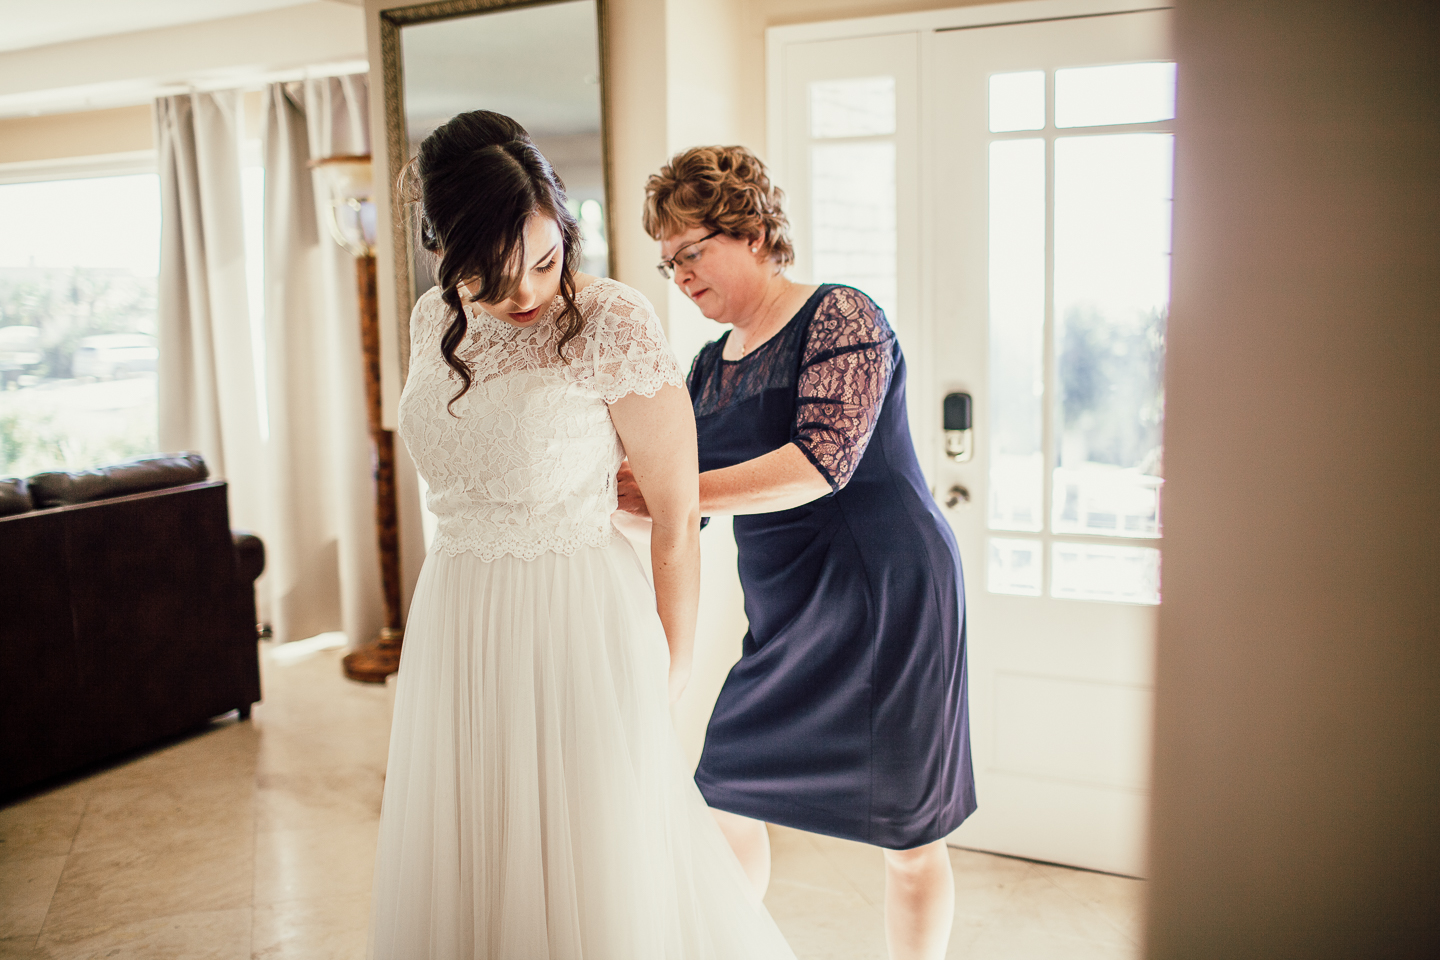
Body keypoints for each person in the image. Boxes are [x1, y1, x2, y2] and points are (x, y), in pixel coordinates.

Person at [367, 113, 796, 960]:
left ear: (564, 228)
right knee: (475, 845)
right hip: (457, 618)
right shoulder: (430, 321)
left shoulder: (613, 322)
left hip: (580, 626)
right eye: (490, 275)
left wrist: (669, 669)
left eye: (545, 258)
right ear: (445, 255)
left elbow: (675, 519)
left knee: (596, 856)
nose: (525, 293)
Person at [619, 145, 976, 960]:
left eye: (690, 251)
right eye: (667, 263)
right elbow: (683, 504)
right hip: (785, 610)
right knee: (723, 794)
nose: (678, 275)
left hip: (888, 593)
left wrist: (674, 492)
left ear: (749, 231)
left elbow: (822, 463)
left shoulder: (842, 315)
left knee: (909, 833)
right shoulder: (709, 368)